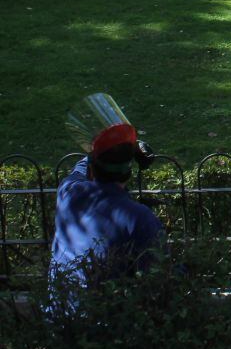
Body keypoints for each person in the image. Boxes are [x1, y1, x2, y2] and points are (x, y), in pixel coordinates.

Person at [51, 94, 164, 290]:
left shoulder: (68, 193)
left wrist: (121, 147)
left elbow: (81, 168)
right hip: (107, 317)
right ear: (128, 173)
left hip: (58, 315)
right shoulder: (138, 218)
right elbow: (157, 277)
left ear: (92, 169)